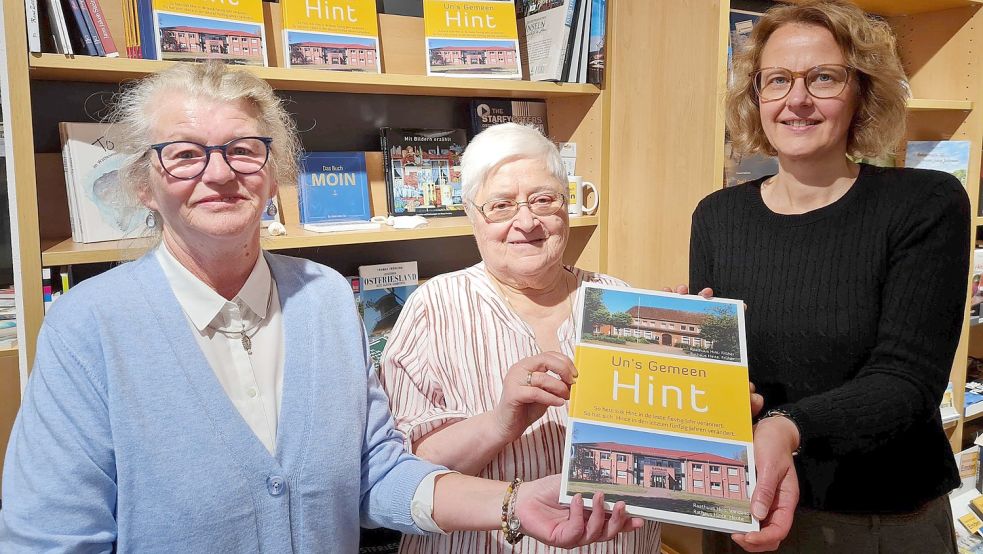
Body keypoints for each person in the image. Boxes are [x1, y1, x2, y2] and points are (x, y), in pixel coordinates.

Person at [0, 62, 643, 551]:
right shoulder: (85, 326)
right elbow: (49, 537)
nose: (219, 174)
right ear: (145, 183)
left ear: (276, 169)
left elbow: (377, 476)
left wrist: (513, 504)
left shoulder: (326, 300)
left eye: (244, 149)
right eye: (186, 154)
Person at [690, 1, 969, 552]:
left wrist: (785, 427)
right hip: (746, 504)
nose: (797, 99)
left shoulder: (925, 203)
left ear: (862, 91)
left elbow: (907, 380)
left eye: (823, 77)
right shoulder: (717, 216)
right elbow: (729, 376)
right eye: (777, 81)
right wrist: (687, 348)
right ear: (757, 98)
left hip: (879, 519)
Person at [379, 122, 663, 553]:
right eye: (501, 205)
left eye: (543, 200)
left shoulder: (620, 300)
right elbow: (406, 472)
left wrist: (698, 367)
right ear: (472, 215)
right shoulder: (433, 307)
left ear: (567, 207)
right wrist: (498, 424)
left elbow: (662, 442)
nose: (526, 221)